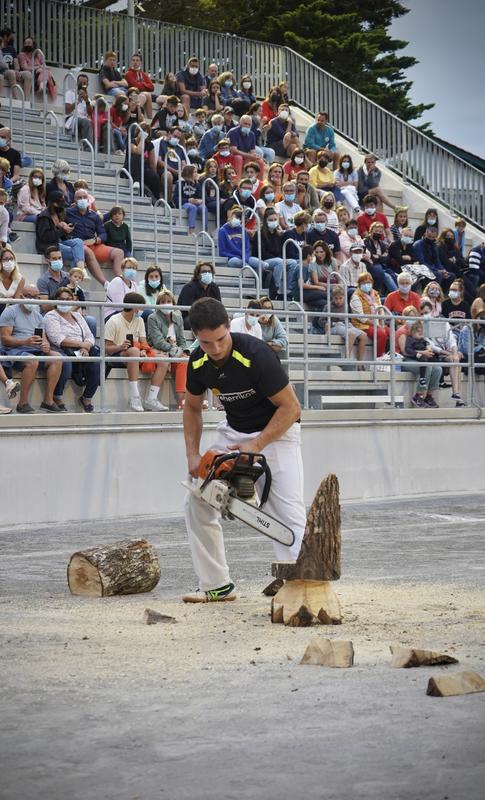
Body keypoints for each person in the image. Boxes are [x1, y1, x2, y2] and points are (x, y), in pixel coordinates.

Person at [182, 297, 306, 602]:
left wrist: (257, 445)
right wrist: (193, 455)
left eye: (221, 339)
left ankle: (303, 580)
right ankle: (216, 584)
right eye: (206, 342)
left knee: (288, 512)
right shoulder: (197, 361)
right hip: (234, 430)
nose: (216, 349)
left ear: (229, 326)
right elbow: (192, 409)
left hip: (277, 431)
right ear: (196, 337)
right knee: (196, 500)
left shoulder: (257, 354)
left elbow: (291, 408)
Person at [0, 284, 63, 413]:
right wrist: (26, 341)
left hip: (33, 348)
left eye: (35, 297)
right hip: (14, 349)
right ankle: (22, 403)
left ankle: (48, 400)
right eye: (29, 296)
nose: (32, 299)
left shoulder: (38, 316)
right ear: (21, 296)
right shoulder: (10, 311)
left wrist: (45, 345)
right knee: (32, 360)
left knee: (57, 357)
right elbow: (5, 339)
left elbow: (43, 338)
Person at [104, 291, 168, 412]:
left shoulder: (139, 321)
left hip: (136, 353)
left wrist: (144, 350)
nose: (143, 310)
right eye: (140, 307)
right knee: (133, 351)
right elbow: (106, 348)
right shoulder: (113, 321)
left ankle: (151, 399)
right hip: (117, 355)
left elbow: (143, 342)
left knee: (163, 360)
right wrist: (121, 347)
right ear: (133, 307)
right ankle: (134, 397)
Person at [43, 286, 100, 412]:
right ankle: (57, 396)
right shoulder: (51, 316)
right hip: (63, 349)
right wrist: (81, 345)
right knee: (65, 361)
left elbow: (90, 336)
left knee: (97, 363)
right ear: (56, 300)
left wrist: (86, 347)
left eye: (68, 299)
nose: (65, 302)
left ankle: (87, 397)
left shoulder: (77, 316)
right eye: (62, 299)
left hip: (82, 349)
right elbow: (58, 339)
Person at [66, 188, 124, 283]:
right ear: (74, 200)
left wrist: (96, 240)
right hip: (78, 245)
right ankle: (105, 283)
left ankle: (121, 279)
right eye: (79, 198)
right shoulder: (68, 212)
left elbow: (103, 234)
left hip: (93, 244)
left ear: (88, 199)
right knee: (87, 252)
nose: (82, 199)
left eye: (84, 197)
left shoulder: (94, 215)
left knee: (119, 253)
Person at [147, 289, 189, 409]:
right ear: (158, 304)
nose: (166, 303)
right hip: (158, 350)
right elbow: (158, 341)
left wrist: (184, 351)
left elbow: (182, 339)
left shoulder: (178, 317)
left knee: (186, 362)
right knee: (165, 360)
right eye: (162, 301)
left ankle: (182, 402)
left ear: (173, 303)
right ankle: (151, 399)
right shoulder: (152, 318)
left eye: (169, 301)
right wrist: (174, 351)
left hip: (175, 352)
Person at [420, 298, 464, 406]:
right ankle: (454, 396)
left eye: (426, 312)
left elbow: (451, 339)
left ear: (432, 312)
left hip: (446, 353)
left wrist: (454, 352)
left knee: (456, 359)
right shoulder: (420, 326)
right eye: (422, 314)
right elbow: (430, 345)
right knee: (453, 359)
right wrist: (446, 353)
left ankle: (456, 394)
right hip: (434, 354)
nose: (424, 315)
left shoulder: (442, 323)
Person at [325, 283, 368, 363]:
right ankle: (346, 359)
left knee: (364, 336)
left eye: (340, 298)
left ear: (344, 298)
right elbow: (321, 320)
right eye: (336, 298)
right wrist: (332, 323)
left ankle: (360, 362)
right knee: (351, 334)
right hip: (334, 326)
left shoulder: (346, 306)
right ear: (332, 298)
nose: (338, 301)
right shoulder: (328, 306)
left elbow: (349, 318)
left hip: (346, 325)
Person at [404, 319, 442, 408]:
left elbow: (428, 345)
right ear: (413, 332)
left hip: (422, 359)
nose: (421, 336)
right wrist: (422, 353)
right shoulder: (409, 338)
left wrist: (428, 349)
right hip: (409, 359)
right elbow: (406, 351)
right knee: (427, 368)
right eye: (419, 333)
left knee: (438, 368)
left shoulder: (422, 340)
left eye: (422, 334)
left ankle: (429, 396)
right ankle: (418, 396)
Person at [350, 272, 389, 357]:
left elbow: (380, 308)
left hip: (377, 322)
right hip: (362, 324)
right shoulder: (356, 296)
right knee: (381, 334)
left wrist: (381, 321)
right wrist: (376, 324)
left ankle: (390, 356)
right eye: (364, 283)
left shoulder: (375, 294)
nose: (366, 285)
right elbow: (361, 318)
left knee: (390, 332)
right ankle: (379, 358)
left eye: (368, 283)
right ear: (359, 284)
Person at [178, 261, 221, 329]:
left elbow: (219, 307)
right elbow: (188, 310)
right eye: (204, 272)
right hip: (190, 318)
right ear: (198, 275)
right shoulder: (189, 287)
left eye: (209, 272)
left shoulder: (214, 288)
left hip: (210, 318)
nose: (207, 273)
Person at [364, 221, 397, 293]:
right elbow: (371, 257)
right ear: (371, 230)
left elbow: (387, 258)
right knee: (387, 276)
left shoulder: (382, 243)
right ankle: (396, 294)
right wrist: (381, 256)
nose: (378, 233)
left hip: (381, 266)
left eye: (380, 231)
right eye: (376, 231)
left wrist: (378, 257)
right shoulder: (366, 241)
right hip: (369, 266)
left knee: (393, 274)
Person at [173, 164, 206, 234]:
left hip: (195, 203)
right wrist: (188, 200)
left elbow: (201, 197)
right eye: (195, 172)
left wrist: (200, 200)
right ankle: (191, 230)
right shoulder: (180, 183)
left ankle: (205, 230)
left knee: (203, 207)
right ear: (189, 173)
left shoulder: (197, 184)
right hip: (184, 204)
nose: (197, 174)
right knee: (192, 207)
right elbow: (175, 199)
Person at [64, 73, 93, 145]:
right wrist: (78, 100)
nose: (82, 85)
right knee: (86, 122)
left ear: (87, 84)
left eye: (84, 83)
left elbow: (90, 113)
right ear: (77, 83)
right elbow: (67, 110)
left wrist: (86, 101)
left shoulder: (88, 99)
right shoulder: (70, 93)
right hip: (72, 119)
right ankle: (88, 149)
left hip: (83, 121)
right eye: (80, 83)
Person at [258, 296, 288, 362]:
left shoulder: (274, 319)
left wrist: (271, 343)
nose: (268, 310)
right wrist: (257, 319)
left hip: (267, 349)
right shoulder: (254, 317)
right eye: (265, 308)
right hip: (255, 349)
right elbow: (237, 315)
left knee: (281, 348)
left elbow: (285, 340)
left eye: (269, 308)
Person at [124, 53, 154, 118]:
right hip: (131, 95)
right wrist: (144, 84)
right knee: (145, 94)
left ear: (140, 62)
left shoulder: (143, 74)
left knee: (146, 94)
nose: (135, 62)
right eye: (133, 60)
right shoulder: (128, 73)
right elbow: (136, 86)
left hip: (141, 94)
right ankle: (133, 111)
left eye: (137, 60)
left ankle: (150, 120)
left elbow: (152, 87)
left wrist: (141, 83)